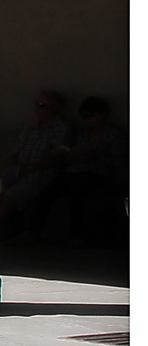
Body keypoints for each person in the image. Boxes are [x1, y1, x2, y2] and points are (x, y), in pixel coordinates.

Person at [0, 90, 73, 242]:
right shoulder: (30, 129)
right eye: (36, 104)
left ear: (54, 109)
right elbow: (15, 152)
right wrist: (13, 169)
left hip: (40, 174)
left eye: (42, 105)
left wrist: (30, 168)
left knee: (12, 195)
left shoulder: (61, 128)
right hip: (19, 172)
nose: (37, 108)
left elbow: (57, 156)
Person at [53, 96, 128, 247]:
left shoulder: (114, 134)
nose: (88, 121)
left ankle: (77, 234)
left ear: (102, 115)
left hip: (98, 175)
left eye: (91, 116)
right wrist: (73, 155)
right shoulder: (83, 134)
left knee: (78, 190)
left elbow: (118, 163)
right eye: (84, 117)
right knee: (50, 188)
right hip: (75, 172)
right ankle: (33, 232)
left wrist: (96, 155)